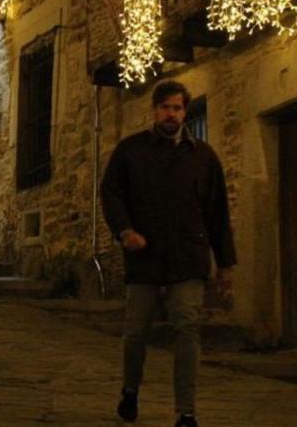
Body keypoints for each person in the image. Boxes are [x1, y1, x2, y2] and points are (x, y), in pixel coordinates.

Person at [100, 81, 236, 427]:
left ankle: (186, 411)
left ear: (185, 112)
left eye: (176, 108)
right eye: (165, 107)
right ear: (155, 110)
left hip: (188, 257)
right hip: (144, 257)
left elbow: (218, 212)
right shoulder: (131, 151)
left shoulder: (203, 157)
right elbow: (112, 194)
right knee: (135, 333)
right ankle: (130, 389)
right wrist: (125, 230)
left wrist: (226, 263)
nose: (170, 114)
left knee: (187, 330)